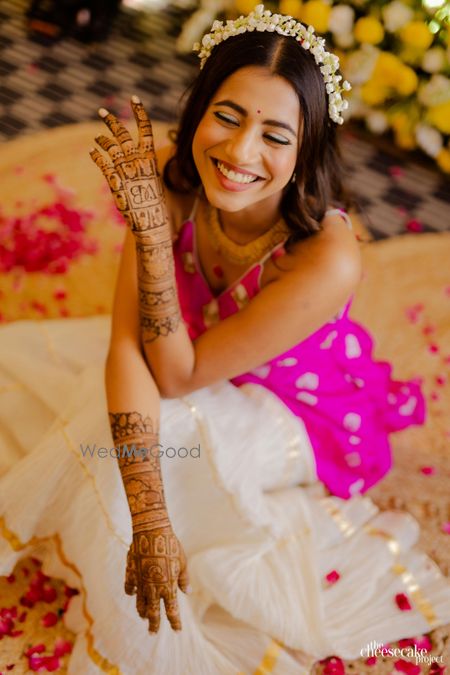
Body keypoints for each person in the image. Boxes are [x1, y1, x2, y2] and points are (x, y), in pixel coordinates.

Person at [0, 5, 449, 673]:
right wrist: (151, 520)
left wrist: (153, 234)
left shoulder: (327, 255)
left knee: (121, 426)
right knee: (26, 368)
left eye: (275, 134)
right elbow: (131, 347)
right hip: (173, 348)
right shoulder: (169, 171)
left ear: (306, 152)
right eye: (228, 117)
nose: (239, 154)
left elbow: (178, 377)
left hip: (293, 411)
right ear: (198, 109)